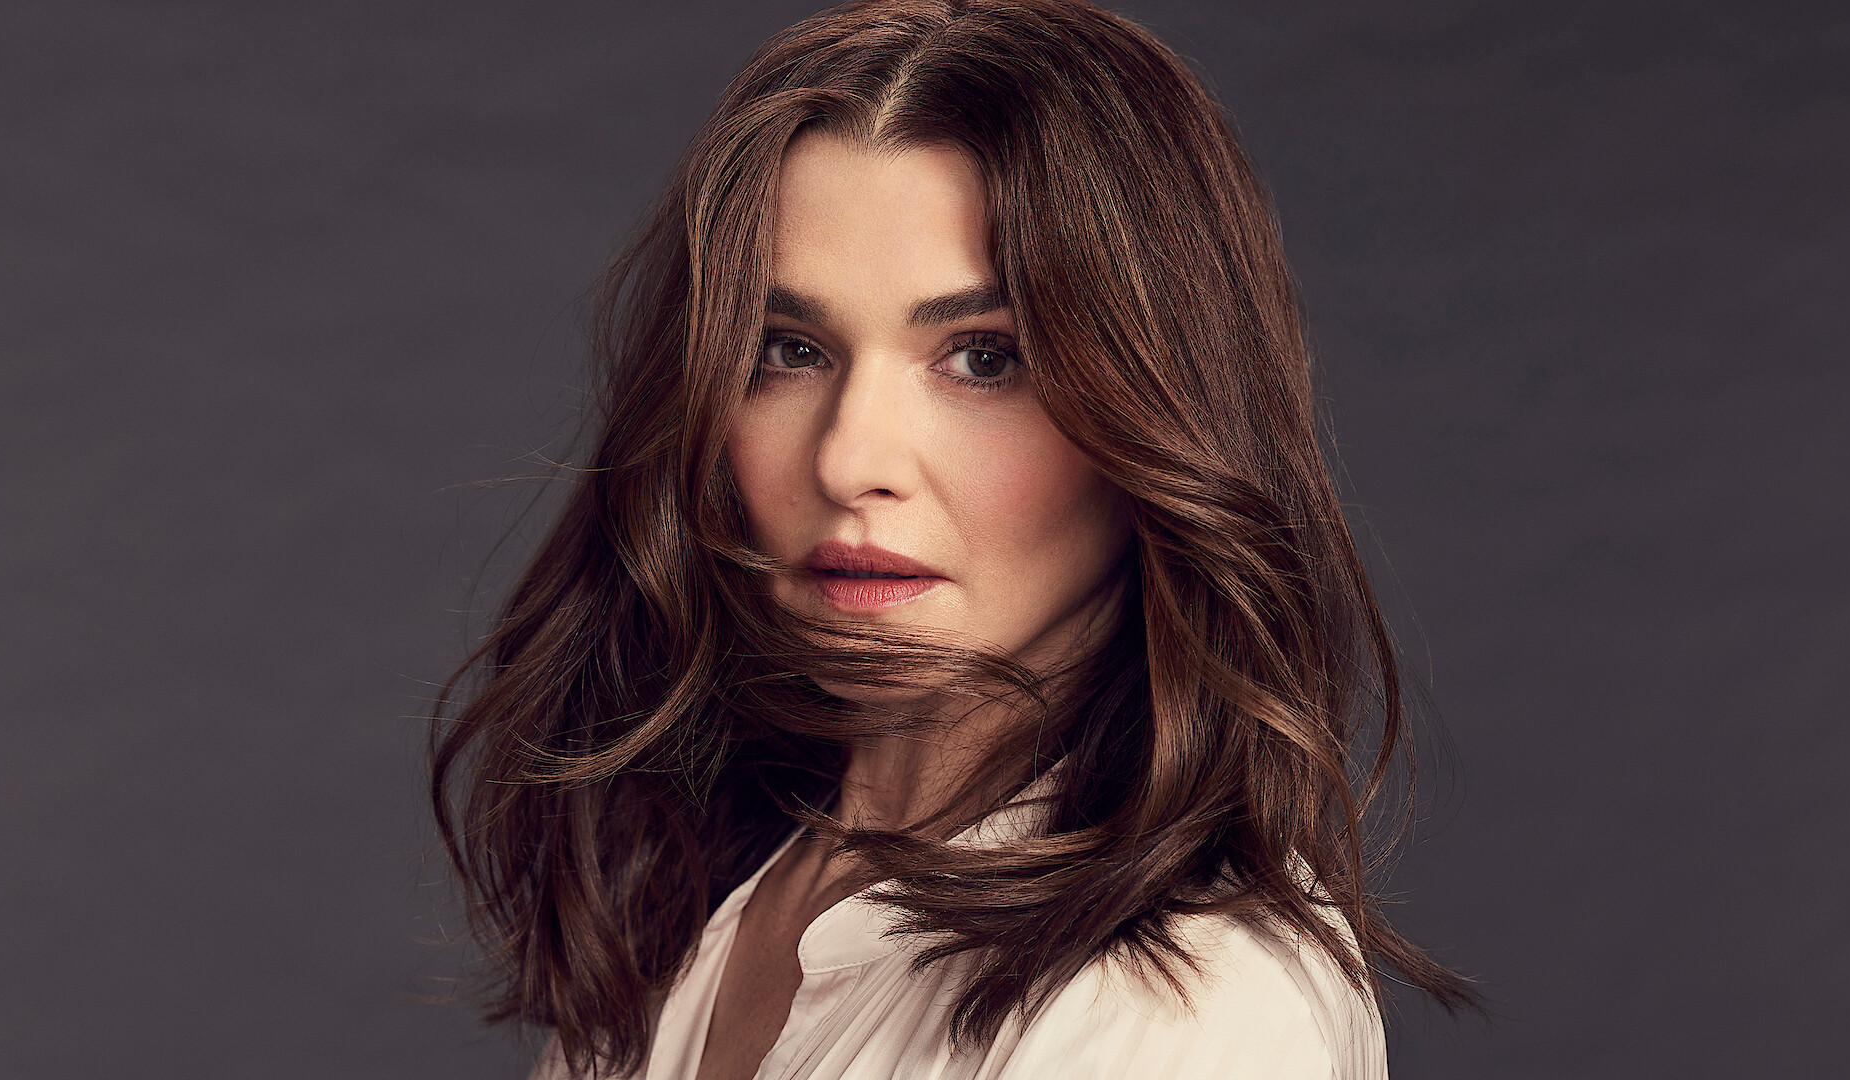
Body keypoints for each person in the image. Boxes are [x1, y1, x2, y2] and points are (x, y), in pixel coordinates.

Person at [431, 1, 1473, 1077]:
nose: (849, 460)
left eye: (984, 358)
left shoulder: (1180, 1005)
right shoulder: (702, 899)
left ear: (1162, 413)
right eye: (789, 348)